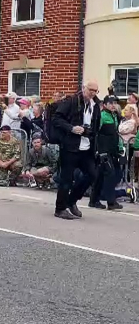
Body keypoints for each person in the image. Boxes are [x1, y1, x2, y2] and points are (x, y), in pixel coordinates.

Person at [52, 81, 101, 220]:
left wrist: (91, 135)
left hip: (86, 148)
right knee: (66, 179)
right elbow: (56, 119)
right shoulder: (72, 101)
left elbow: (95, 127)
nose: (92, 92)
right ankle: (60, 208)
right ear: (83, 88)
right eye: (90, 89)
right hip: (70, 147)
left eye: (95, 90)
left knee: (92, 175)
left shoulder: (95, 106)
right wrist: (71, 128)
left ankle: (71, 200)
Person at [89, 95, 124, 210]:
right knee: (110, 174)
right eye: (111, 103)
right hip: (103, 151)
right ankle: (111, 202)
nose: (113, 105)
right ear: (104, 104)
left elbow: (116, 135)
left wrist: (120, 148)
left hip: (112, 150)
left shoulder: (114, 116)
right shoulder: (102, 116)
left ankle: (93, 200)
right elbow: (95, 133)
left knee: (100, 175)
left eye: (115, 103)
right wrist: (97, 150)